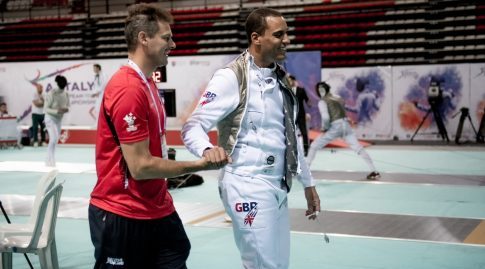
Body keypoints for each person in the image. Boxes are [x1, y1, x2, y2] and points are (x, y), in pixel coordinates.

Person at [88, 4, 229, 269]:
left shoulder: (148, 83)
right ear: (144, 38)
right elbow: (140, 167)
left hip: (157, 207)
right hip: (123, 212)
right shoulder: (128, 89)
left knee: (177, 255)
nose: (173, 44)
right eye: (167, 38)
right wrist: (201, 165)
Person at [182, 7, 321, 269]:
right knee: (261, 265)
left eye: (287, 33)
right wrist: (207, 148)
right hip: (246, 184)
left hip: (278, 186)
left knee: (278, 265)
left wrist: (308, 184)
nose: (287, 40)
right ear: (256, 38)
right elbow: (193, 126)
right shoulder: (231, 77)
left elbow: (292, 137)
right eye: (279, 34)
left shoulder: (282, 80)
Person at [306, 81, 381, 180]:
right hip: (345, 125)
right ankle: (374, 170)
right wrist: (348, 120)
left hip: (335, 127)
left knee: (314, 146)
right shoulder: (338, 97)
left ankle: (305, 172)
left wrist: (324, 128)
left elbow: (325, 118)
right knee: (358, 148)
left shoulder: (323, 101)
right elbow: (342, 112)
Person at [44, 75, 70, 166]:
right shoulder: (52, 93)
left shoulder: (66, 94)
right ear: (58, 83)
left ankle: (49, 159)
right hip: (50, 118)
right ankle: (51, 160)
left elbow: (67, 106)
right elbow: (46, 109)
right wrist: (57, 111)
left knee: (55, 140)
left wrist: (65, 109)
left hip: (58, 120)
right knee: (53, 138)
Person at [288, 74, 310, 156]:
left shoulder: (301, 90)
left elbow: (308, 101)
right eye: (288, 80)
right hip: (291, 115)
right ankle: (291, 149)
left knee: (304, 132)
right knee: (290, 132)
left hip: (300, 115)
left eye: (290, 80)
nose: (289, 82)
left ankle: (306, 150)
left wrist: (309, 107)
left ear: (294, 81)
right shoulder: (287, 90)